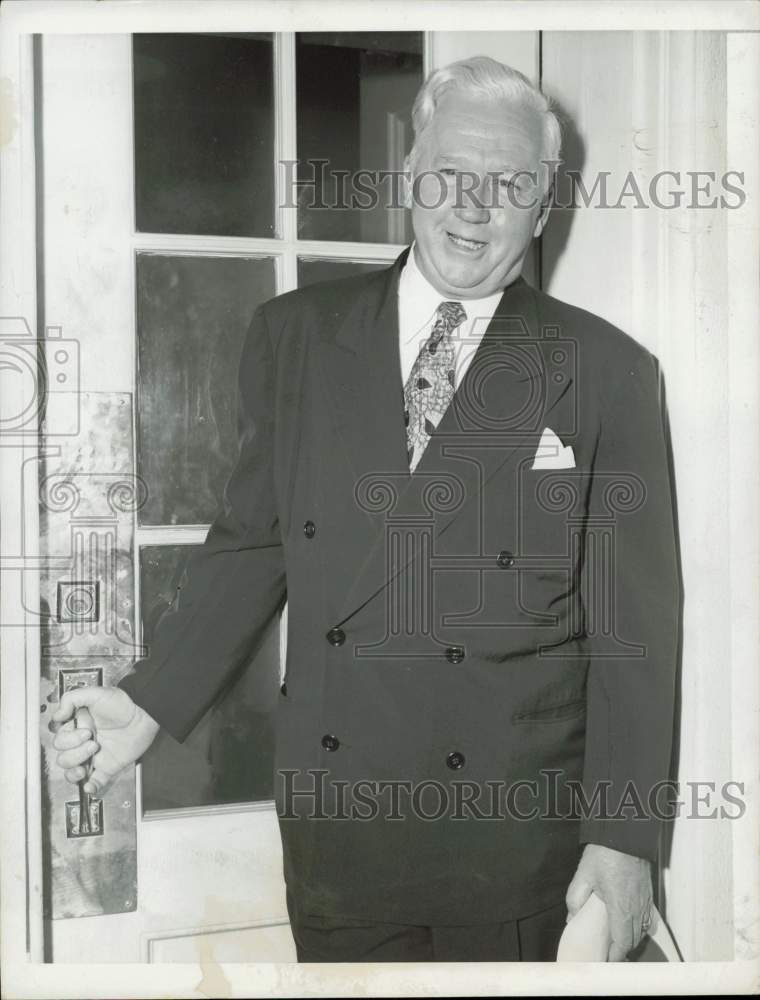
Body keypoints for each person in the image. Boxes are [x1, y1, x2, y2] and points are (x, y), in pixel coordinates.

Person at [52, 56, 680, 963]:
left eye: (508, 185)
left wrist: (625, 840)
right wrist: (151, 702)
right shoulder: (295, 338)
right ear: (409, 177)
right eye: (452, 173)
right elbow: (252, 547)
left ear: (543, 211)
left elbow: (637, 630)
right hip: (343, 835)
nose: (473, 206)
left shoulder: (609, 371)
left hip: (518, 853)